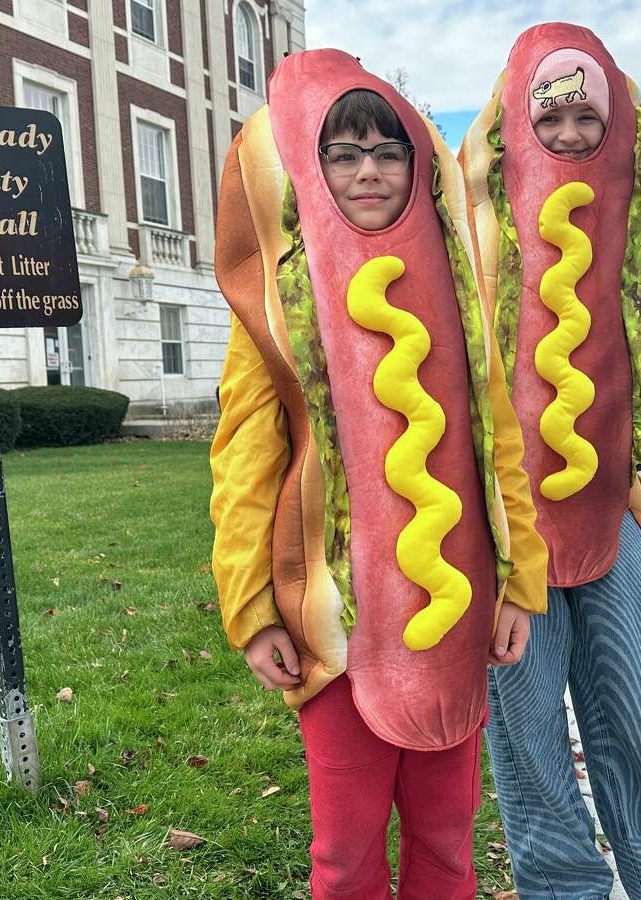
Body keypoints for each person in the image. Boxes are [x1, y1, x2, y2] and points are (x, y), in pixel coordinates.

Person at [210, 48, 548, 900]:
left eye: (387, 151)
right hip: (337, 626)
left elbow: (499, 440)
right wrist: (251, 609)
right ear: (312, 168)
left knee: (446, 844)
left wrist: (519, 585)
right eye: (343, 153)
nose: (368, 171)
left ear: (417, 164)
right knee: (344, 853)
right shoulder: (278, 308)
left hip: (453, 618)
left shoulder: (460, 289)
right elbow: (245, 454)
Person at [460, 22, 641, 900]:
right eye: (550, 118)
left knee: (636, 719)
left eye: (589, 117)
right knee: (527, 738)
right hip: (506, 532)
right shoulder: (477, 226)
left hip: (606, 521)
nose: (570, 135)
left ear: (618, 122)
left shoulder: (635, 225)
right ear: (516, 123)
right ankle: (562, 890)